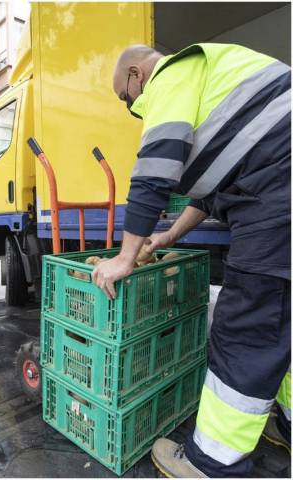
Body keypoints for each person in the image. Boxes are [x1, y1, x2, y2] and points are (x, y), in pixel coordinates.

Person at [92, 43, 291, 477]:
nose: (134, 109)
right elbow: (208, 192)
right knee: (283, 320)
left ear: (135, 76)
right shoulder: (214, 87)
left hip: (280, 200)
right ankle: (289, 427)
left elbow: (154, 170)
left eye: (128, 101)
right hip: (278, 190)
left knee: (248, 330)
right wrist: (165, 235)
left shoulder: (174, 73)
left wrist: (124, 258)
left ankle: (213, 462)